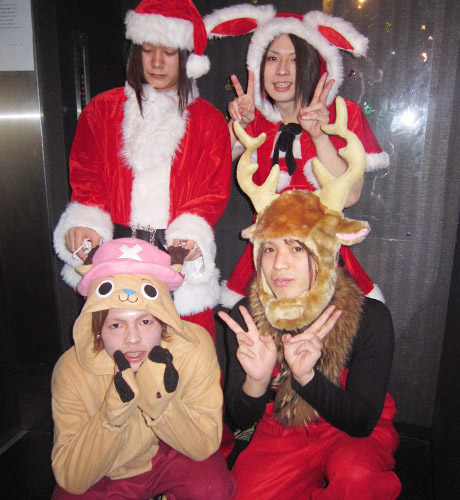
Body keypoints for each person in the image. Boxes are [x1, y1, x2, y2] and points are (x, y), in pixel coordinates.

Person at [217, 107, 401, 499]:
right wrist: (256, 381)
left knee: (356, 476)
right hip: (284, 425)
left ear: (325, 252)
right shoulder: (245, 317)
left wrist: (308, 378)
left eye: (296, 248)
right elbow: (241, 419)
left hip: (349, 428)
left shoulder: (370, 317)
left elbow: (361, 422)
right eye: (269, 249)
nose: (278, 264)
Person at [54, 0, 232, 341]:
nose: (156, 62)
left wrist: (192, 234)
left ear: (186, 57)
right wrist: (85, 222)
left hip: (176, 258)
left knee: (186, 358)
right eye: (147, 50)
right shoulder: (102, 110)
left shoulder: (208, 121)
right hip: (114, 258)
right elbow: (86, 178)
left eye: (169, 52)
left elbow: (212, 192)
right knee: (115, 355)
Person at [204, 5, 389, 308]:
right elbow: (208, 172)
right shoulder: (256, 120)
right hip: (268, 261)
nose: (282, 70)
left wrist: (318, 135)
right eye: (272, 58)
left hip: (320, 261)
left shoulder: (341, 114)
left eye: (294, 60)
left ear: (313, 65)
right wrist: (238, 126)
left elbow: (350, 195)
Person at [51, 238, 236, 499]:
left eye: (146, 321)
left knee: (212, 488)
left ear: (163, 320)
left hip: (171, 451)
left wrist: (160, 404)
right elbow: (71, 478)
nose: (133, 339)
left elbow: (204, 444)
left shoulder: (191, 347)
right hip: (107, 468)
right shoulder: (72, 370)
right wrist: (111, 417)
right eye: (116, 325)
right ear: (97, 329)